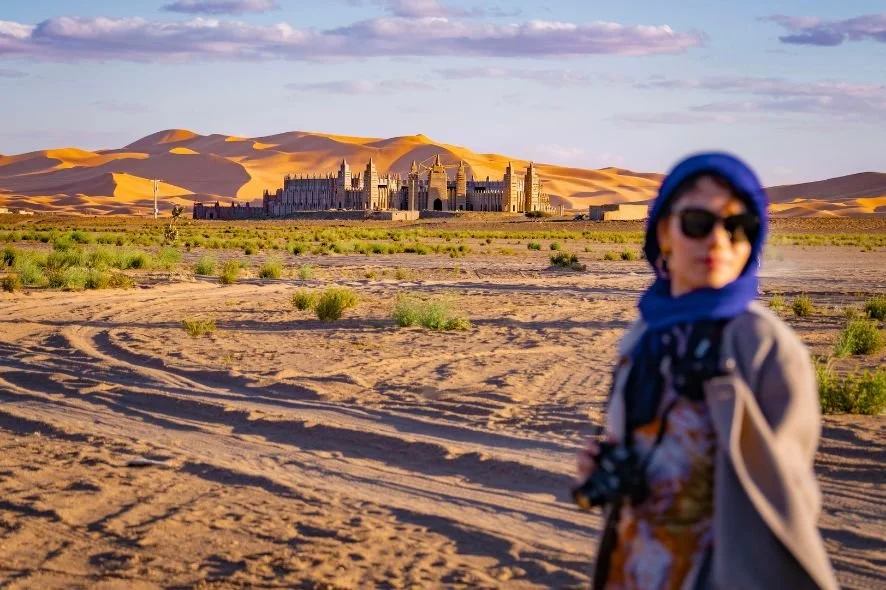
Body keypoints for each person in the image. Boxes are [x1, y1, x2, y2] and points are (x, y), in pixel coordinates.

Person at [575, 153, 838, 590]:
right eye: (698, 223)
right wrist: (603, 471)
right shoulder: (644, 336)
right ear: (664, 232)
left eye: (738, 226)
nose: (718, 241)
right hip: (636, 567)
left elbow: (785, 499)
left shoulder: (764, 345)